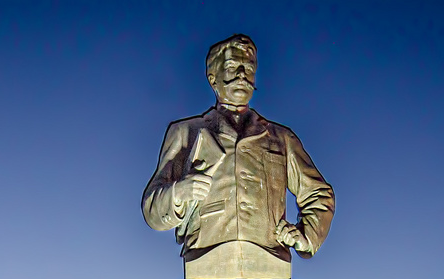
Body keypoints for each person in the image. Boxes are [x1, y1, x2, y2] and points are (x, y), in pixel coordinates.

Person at [142, 34, 334, 266]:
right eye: (233, 67)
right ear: (213, 78)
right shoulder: (186, 132)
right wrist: (180, 192)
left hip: (271, 264)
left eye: (249, 68)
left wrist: (306, 235)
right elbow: (152, 211)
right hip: (204, 261)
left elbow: (318, 194)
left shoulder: (282, 138)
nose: (242, 75)